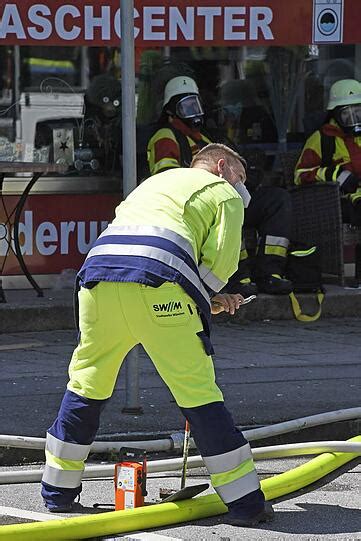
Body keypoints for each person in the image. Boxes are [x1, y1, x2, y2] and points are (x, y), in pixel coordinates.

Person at [41, 143, 274, 527]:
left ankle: (57, 493)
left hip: (98, 280)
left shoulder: (158, 182)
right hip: (160, 289)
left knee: (86, 384)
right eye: (240, 177)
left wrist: (200, 293)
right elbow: (223, 260)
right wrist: (208, 298)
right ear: (221, 166)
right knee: (199, 395)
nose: (241, 187)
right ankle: (247, 504)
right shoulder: (222, 193)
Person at [147, 76, 293, 297]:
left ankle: (270, 273)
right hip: (197, 206)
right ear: (171, 110)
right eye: (186, 106)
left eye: (196, 105)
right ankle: (238, 278)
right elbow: (167, 176)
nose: (193, 112)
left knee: (276, 199)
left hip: (221, 197)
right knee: (228, 205)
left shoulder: (205, 137)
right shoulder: (165, 137)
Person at [295, 78, 361, 225]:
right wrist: (337, 174)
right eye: (346, 114)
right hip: (339, 202)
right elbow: (300, 175)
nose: (354, 119)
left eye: (358, 112)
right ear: (336, 114)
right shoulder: (322, 139)